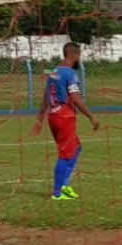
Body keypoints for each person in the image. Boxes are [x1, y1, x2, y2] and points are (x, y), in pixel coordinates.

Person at [32, 42, 100, 201]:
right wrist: (91, 116)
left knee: (76, 148)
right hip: (64, 116)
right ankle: (57, 192)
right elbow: (75, 98)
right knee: (65, 153)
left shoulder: (54, 72)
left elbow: (46, 96)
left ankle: (64, 185)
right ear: (74, 55)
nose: (79, 59)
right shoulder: (70, 73)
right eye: (79, 56)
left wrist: (40, 118)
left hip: (53, 116)